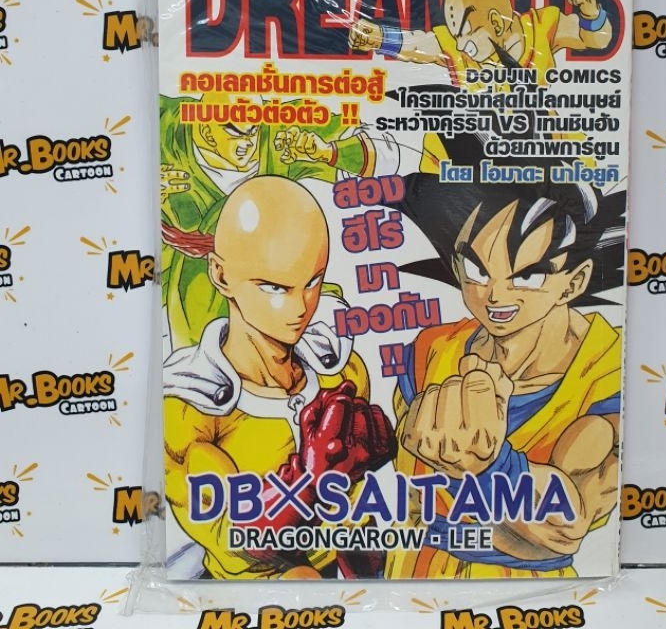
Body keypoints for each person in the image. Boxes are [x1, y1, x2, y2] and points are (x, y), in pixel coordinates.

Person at [385, 173, 625, 578]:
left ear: (574, 282)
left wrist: (490, 468)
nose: (495, 295)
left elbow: (566, 527)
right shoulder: (431, 351)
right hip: (411, 578)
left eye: (527, 275)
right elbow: (409, 499)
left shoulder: (605, 371)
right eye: (477, 269)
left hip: (528, 596)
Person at [162, 176, 395, 579]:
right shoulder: (190, 410)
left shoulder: (340, 372)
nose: (301, 307)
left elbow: (360, 535)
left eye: (313, 281)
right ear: (221, 275)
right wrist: (308, 482)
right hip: (247, 598)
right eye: (274, 287)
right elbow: (237, 542)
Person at [160, 89, 400, 350]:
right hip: (193, 284)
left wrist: (327, 152)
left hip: (277, 273)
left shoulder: (282, 130)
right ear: (207, 131)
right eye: (237, 133)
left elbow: (389, 154)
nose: (250, 143)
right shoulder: (167, 121)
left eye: (254, 130)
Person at [348, 0, 612, 88]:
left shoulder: (542, 26)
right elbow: (421, 44)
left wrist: (590, 13)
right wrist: (380, 38)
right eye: (456, 36)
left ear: (496, 22)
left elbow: (598, 41)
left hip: (537, 153)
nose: (460, 45)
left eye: (465, 34)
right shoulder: (459, 52)